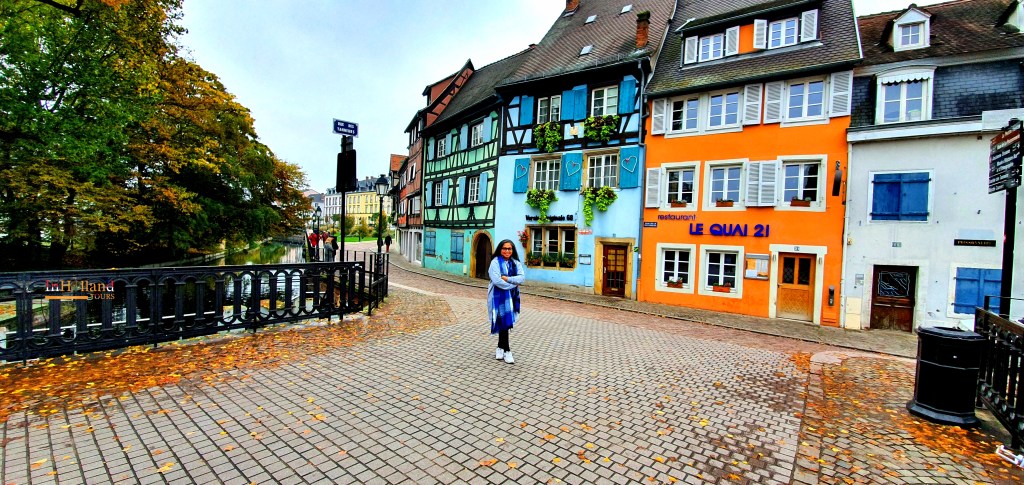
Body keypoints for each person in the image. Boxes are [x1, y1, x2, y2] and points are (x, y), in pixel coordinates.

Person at [487, 239, 525, 364]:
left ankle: (500, 347)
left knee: (505, 321)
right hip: (497, 296)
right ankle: (507, 350)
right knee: (504, 321)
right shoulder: (495, 262)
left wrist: (508, 279)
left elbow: (522, 278)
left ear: (512, 250)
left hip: (512, 297)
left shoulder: (516, 262)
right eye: (504, 248)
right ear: (500, 249)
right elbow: (497, 281)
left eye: (509, 248)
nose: (507, 251)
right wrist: (513, 284)